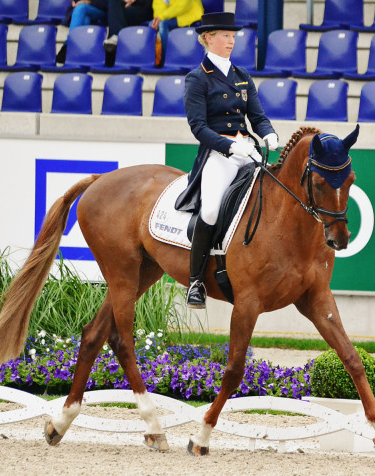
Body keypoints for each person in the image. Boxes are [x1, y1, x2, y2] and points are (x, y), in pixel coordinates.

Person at [174, 12, 279, 309]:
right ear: (208, 38)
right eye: (225, 35)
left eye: (233, 36)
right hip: (219, 155)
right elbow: (198, 127)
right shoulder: (197, 78)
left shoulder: (242, 75)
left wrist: (268, 133)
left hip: (248, 150)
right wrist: (230, 148)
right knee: (209, 212)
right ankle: (196, 282)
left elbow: (257, 117)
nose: (231, 41)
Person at [151, 0, 204, 65]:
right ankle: (153, 60)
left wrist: (162, 17)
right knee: (151, 25)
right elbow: (158, 6)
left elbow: (182, 6)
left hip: (189, 14)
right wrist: (157, 19)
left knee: (163, 25)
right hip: (172, 16)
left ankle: (165, 60)